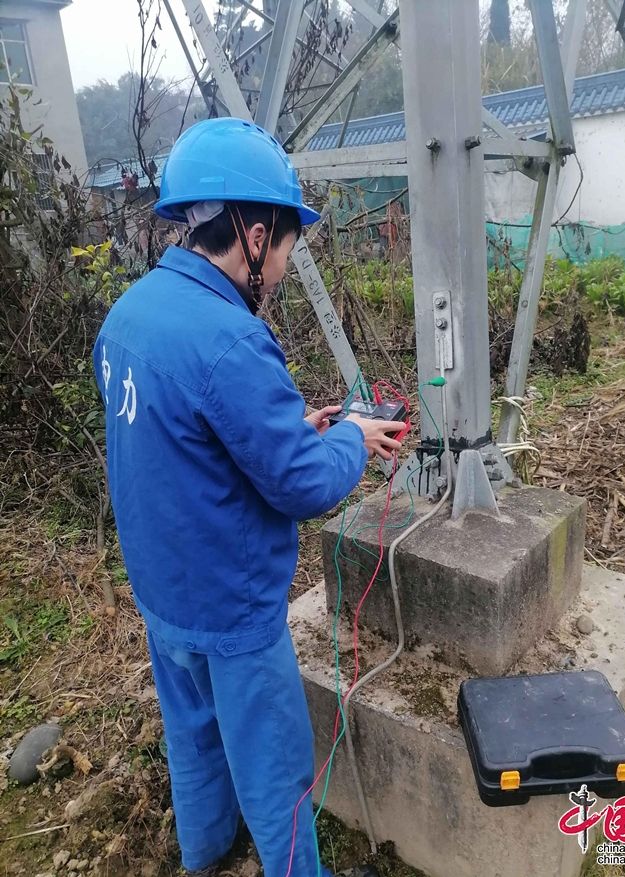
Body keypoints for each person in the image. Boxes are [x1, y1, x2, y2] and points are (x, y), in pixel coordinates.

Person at [92, 117, 403, 877]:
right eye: (290, 248)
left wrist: (294, 424)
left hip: (163, 597)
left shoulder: (129, 318)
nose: (288, 266)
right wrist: (352, 439)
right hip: (231, 610)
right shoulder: (231, 339)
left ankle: (204, 856)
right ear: (256, 235)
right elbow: (306, 484)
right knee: (274, 769)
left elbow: (187, 436)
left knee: (193, 737)